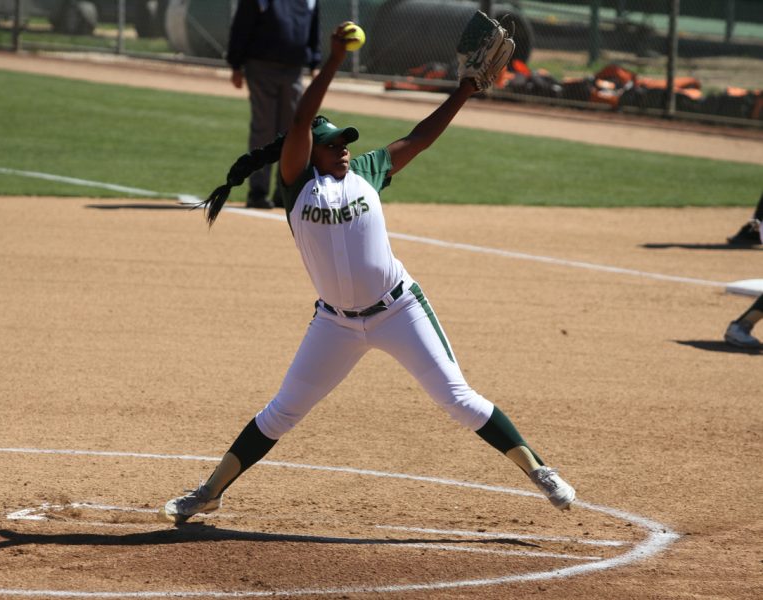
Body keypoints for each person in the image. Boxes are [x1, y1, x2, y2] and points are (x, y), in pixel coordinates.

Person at [165, 18, 576, 525]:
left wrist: (465, 91)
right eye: (334, 142)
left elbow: (420, 137)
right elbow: (299, 123)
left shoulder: (367, 172)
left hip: (399, 308)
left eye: (345, 142)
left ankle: (539, 471)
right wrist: (334, 60)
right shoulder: (297, 185)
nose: (344, 147)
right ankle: (210, 491)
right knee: (281, 413)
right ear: (310, 152)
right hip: (335, 325)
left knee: (459, 400)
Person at [228, 0, 321, 210]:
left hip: (294, 68)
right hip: (261, 65)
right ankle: (258, 192)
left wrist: (315, 61)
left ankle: (285, 191)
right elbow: (243, 25)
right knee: (264, 128)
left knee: (293, 131)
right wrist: (236, 63)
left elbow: (313, 26)